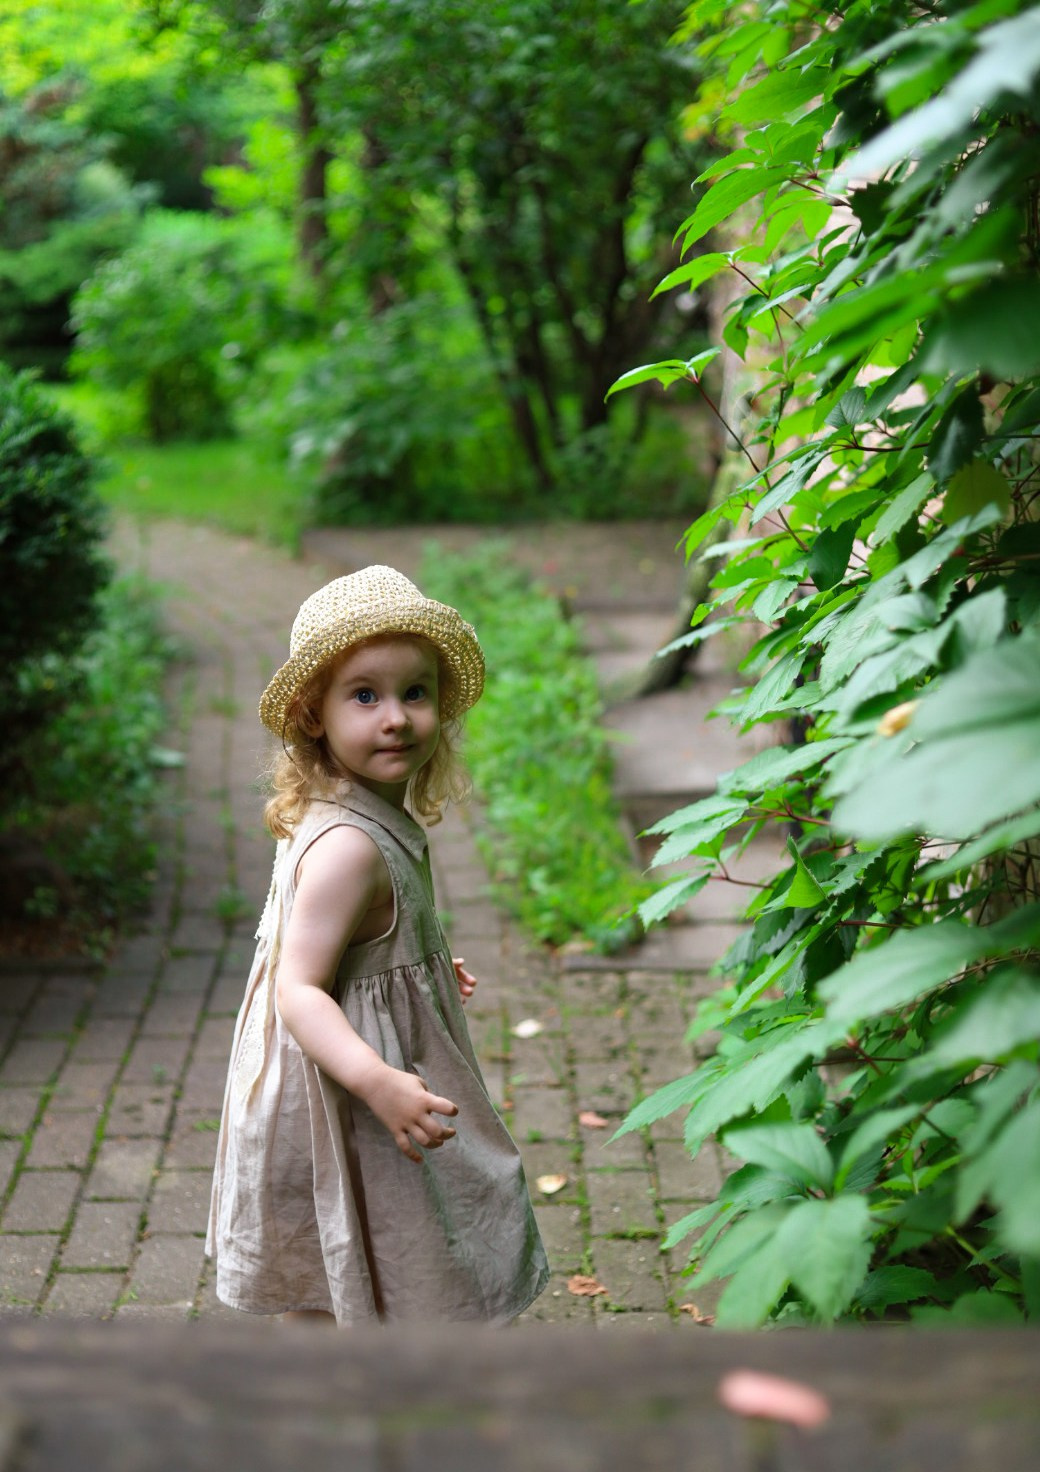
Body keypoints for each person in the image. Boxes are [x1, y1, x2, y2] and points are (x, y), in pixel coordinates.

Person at [206, 565, 549, 1324]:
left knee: (349, 1252)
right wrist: (376, 1080)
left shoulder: (351, 805)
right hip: (343, 1082)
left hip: (349, 1061)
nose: (395, 717)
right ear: (314, 714)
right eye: (365, 695)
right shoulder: (349, 847)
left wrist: (413, 961)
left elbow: (353, 937)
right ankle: (354, 1407)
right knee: (367, 1244)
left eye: (414, 692)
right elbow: (299, 987)